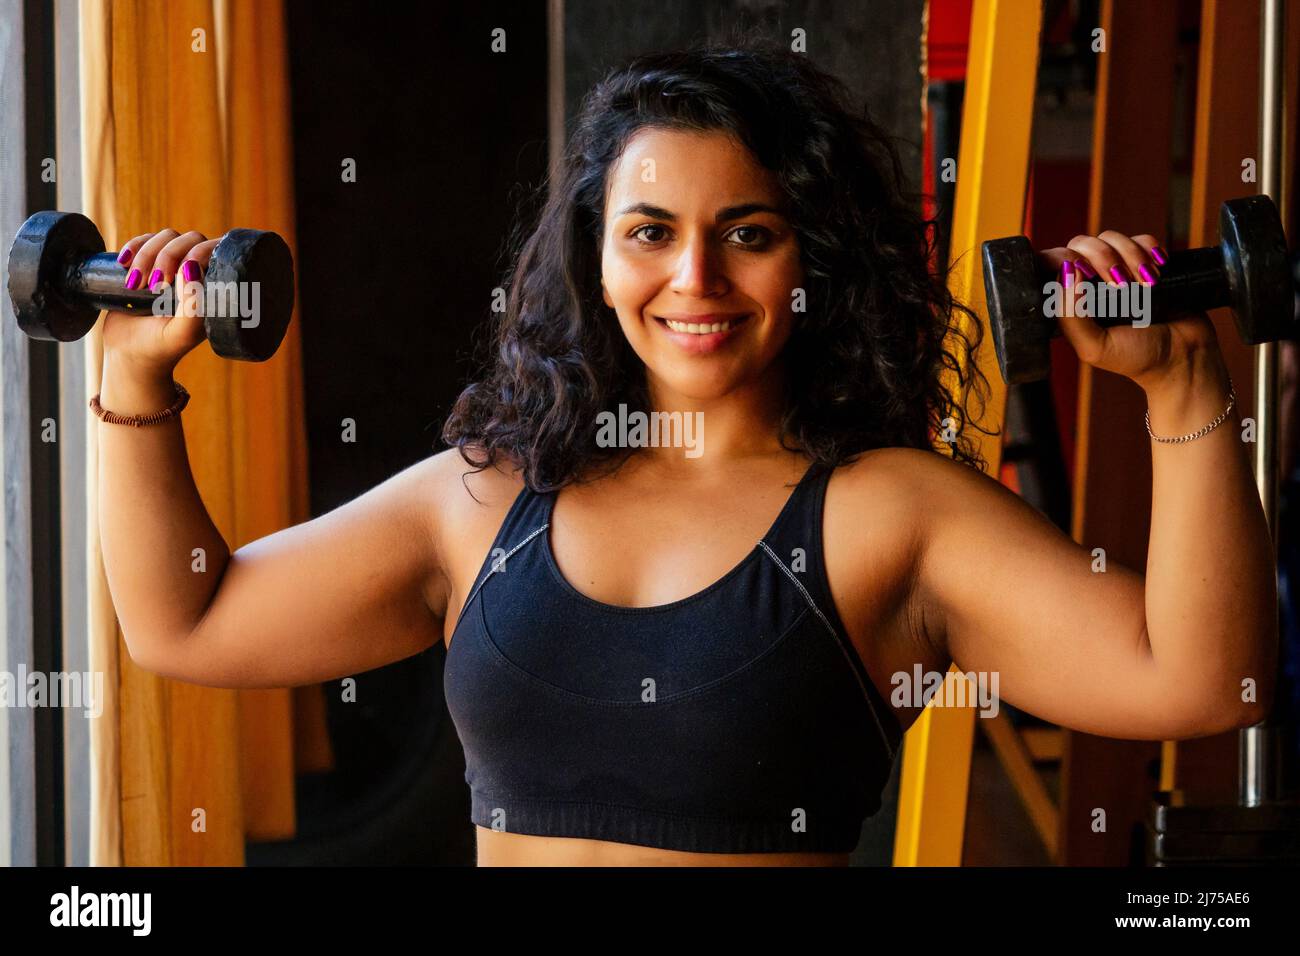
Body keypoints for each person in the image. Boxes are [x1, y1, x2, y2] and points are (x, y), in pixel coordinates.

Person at [97, 41, 1277, 866]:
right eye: (650, 233)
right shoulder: (486, 499)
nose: (695, 280)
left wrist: (1182, 383)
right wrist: (134, 377)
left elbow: (1199, 676)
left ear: (809, 261)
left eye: (748, 236)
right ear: (596, 260)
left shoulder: (886, 513)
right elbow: (186, 623)